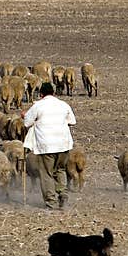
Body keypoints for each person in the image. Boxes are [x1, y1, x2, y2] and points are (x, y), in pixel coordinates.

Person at [21, 81, 76, 210]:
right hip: (63, 144)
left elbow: (27, 123)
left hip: (46, 145)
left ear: (41, 94)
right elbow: (72, 121)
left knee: (46, 173)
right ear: (54, 92)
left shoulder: (38, 106)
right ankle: (63, 193)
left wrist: (24, 116)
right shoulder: (63, 105)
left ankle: (51, 201)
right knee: (60, 170)